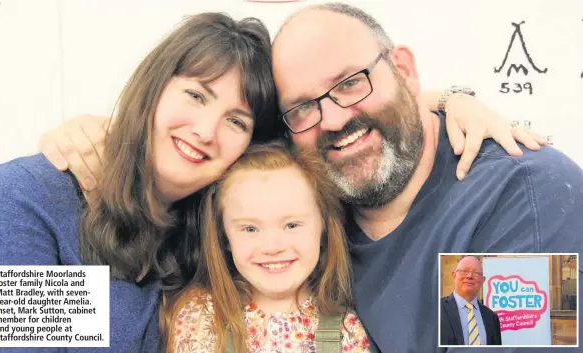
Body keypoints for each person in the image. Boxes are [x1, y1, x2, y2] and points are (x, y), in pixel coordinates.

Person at [33, 5, 556, 353]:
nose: (331, 119)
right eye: (194, 94)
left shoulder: (519, 194)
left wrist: (449, 99)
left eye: (236, 120)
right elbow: (19, 326)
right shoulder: (34, 193)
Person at [0, 12, 278, 352]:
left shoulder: (220, 242)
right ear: (153, 88)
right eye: (196, 95)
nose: (205, 131)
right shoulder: (28, 199)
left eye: (236, 122)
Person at [164, 141, 371, 353]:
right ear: (224, 237)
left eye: (291, 225)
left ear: (324, 229)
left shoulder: (348, 333)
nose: (272, 247)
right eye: (250, 229)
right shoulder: (199, 319)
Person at [440, 256, 502, 346]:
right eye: (464, 271)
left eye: (476, 273)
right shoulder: (436, 310)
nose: (469, 276)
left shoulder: (492, 318)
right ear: (454, 276)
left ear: (483, 280)